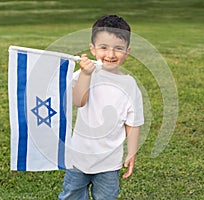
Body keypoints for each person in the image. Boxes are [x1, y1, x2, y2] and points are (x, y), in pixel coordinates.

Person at [59, 15, 144, 200]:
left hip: (109, 163)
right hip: (79, 158)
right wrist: (86, 74)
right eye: (104, 47)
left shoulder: (130, 85)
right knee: (71, 195)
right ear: (93, 49)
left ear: (127, 51)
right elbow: (78, 101)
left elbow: (133, 122)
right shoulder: (86, 73)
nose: (111, 55)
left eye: (118, 49)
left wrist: (131, 152)